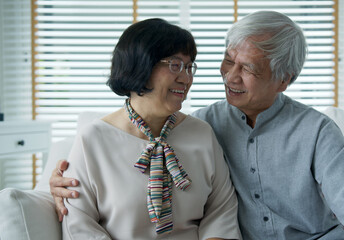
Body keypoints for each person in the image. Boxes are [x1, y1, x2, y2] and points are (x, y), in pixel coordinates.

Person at [51, 11, 344, 239]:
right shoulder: (203, 125)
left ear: (284, 80)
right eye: (227, 61)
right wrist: (55, 184)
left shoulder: (316, 132)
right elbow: (85, 194)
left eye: (248, 69)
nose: (231, 77)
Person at [58, 18, 241, 240]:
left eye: (189, 67)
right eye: (175, 65)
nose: (186, 78)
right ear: (141, 65)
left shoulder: (201, 134)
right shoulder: (93, 140)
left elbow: (221, 212)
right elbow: (79, 226)